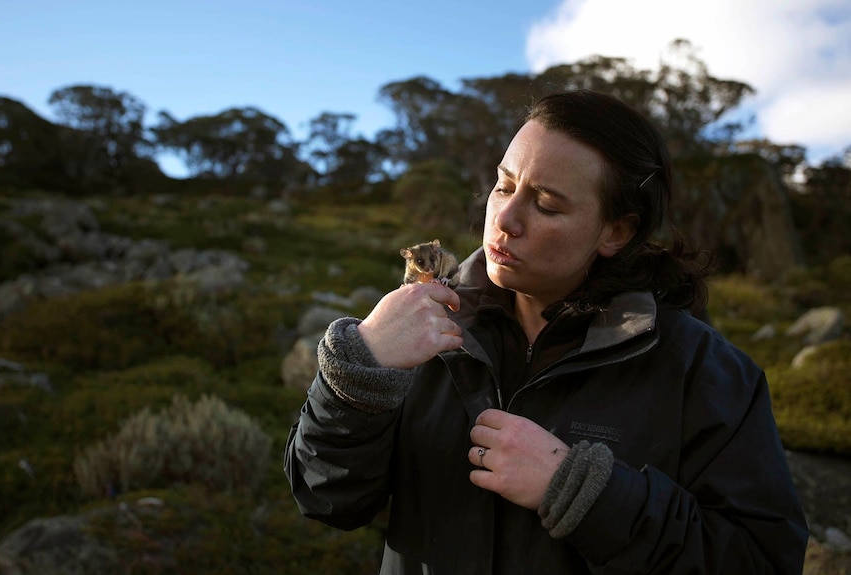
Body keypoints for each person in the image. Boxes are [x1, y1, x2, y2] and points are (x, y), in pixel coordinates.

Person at [284, 89, 808, 574]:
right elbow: (324, 497)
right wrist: (358, 374)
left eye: (547, 204)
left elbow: (761, 559)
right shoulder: (423, 329)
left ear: (615, 231)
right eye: (503, 185)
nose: (505, 219)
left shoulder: (703, 371)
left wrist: (578, 490)